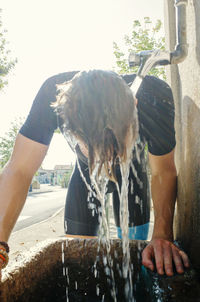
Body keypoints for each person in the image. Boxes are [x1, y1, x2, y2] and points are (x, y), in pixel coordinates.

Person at [0, 70, 189, 279]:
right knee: (78, 268)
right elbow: (19, 170)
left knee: (137, 262)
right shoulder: (51, 98)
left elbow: (163, 171)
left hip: (133, 180)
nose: (106, 160)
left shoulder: (154, 98)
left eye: (114, 146)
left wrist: (163, 235)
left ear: (134, 106)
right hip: (84, 178)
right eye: (94, 149)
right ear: (66, 121)